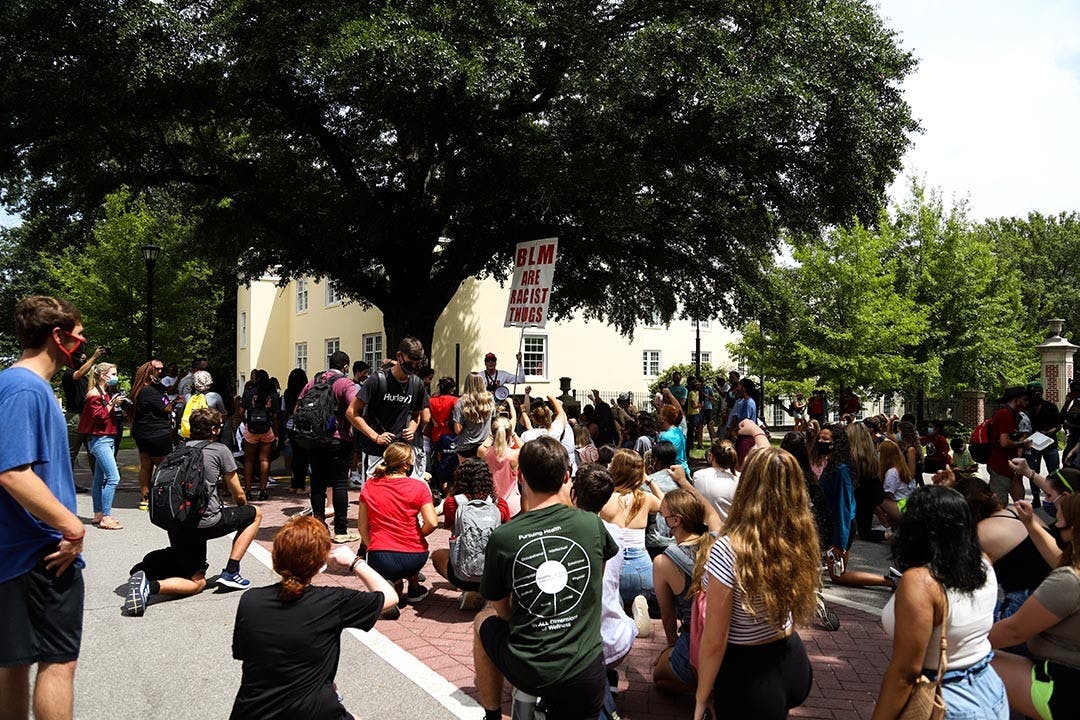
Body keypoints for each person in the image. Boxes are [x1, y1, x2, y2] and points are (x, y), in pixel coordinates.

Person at [473, 436, 619, 720]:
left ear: (521, 476)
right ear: (567, 476)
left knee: (483, 620)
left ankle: (492, 715)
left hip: (530, 670)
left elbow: (502, 611)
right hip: (586, 670)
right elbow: (594, 585)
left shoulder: (504, 537)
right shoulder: (592, 524)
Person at [0, 296, 88, 720]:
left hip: (20, 552)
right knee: (58, 661)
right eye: (77, 332)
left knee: (14, 662)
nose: (82, 339)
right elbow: (12, 472)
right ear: (58, 336)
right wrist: (71, 526)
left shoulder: (21, 386)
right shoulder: (24, 387)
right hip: (41, 553)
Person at [693, 448, 821, 720]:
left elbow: (715, 640)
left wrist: (701, 697)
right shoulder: (798, 537)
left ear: (746, 485)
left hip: (749, 674)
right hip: (792, 661)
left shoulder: (728, 549)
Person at [230, 515, 398, 719]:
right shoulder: (333, 601)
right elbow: (389, 597)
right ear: (320, 563)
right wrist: (355, 562)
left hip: (251, 712)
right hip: (313, 711)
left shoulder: (250, 600)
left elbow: (248, 655)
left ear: (277, 560)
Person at [873, 485, 1007, 720]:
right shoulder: (982, 563)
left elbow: (905, 673)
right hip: (989, 687)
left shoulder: (921, 583)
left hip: (947, 698)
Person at [988, 493, 1080, 720]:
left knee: (965, 666)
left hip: (1061, 687)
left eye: (1058, 523)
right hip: (1069, 677)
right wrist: (1029, 523)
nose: (1055, 527)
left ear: (1074, 529)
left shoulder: (1069, 581)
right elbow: (1058, 557)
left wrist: (955, 646)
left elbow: (1013, 631)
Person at [571, 464, 639, 697]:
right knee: (616, 597)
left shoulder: (561, 532)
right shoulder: (617, 534)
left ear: (574, 494)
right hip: (615, 643)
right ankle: (606, 676)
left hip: (573, 647)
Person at [952, 475, 1059, 623]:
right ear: (992, 496)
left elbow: (955, 572)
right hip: (1055, 596)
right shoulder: (1017, 511)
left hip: (1023, 607)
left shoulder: (978, 534)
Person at [652, 488, 720, 694]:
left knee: (659, 676)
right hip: (727, 642)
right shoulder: (717, 540)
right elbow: (712, 514)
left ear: (676, 521)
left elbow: (667, 613)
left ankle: (701, 685)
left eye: (663, 516)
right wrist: (683, 482)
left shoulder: (664, 561)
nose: (661, 519)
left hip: (695, 645)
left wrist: (672, 647)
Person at [358, 442, 438, 606]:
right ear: (405, 464)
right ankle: (413, 587)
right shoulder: (419, 487)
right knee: (408, 558)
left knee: (390, 573)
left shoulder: (369, 485)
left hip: (380, 554)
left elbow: (362, 526)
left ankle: (391, 589)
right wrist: (417, 535)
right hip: (414, 555)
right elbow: (432, 522)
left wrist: (371, 545)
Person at [818, 424, 893, 589]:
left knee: (838, 575)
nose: (820, 441)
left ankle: (889, 580)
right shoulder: (832, 465)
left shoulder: (841, 469)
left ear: (836, 443)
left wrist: (840, 543)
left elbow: (843, 507)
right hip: (831, 524)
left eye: (825, 439)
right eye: (820, 438)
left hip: (840, 526)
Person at [430, 459, 511, 610]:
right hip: (494, 576)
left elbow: (451, 529)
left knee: (437, 555)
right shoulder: (500, 504)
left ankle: (470, 589)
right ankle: (488, 594)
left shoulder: (452, 503)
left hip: (462, 575)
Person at [298, 351, 361, 544]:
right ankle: (340, 530)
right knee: (340, 483)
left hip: (314, 439)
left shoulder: (314, 381)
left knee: (317, 483)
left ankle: (319, 526)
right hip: (338, 439)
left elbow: (298, 405)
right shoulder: (345, 383)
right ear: (346, 367)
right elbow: (355, 407)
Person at [601, 449, 664, 627]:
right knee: (639, 593)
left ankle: (618, 607)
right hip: (642, 567)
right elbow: (669, 505)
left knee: (611, 596)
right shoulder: (645, 498)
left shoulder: (605, 499)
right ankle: (638, 602)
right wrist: (649, 480)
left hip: (614, 565)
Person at [351, 337, 426, 478]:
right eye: (410, 363)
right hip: (376, 452)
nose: (414, 367)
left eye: (418, 364)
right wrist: (376, 436)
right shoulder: (377, 380)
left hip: (402, 453)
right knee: (373, 497)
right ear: (399, 356)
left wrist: (411, 429)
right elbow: (352, 412)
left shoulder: (417, 384)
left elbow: (417, 416)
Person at [78, 362, 124, 530]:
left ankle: (98, 514)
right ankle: (106, 517)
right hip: (100, 440)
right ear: (103, 375)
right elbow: (98, 417)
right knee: (113, 478)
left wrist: (115, 403)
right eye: (113, 374)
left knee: (99, 479)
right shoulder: (93, 394)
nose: (115, 377)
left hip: (107, 439)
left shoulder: (104, 392)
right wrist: (112, 403)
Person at [130, 360, 179, 511]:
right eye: (157, 370)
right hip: (157, 434)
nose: (160, 372)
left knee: (145, 465)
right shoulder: (150, 392)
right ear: (148, 372)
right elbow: (167, 408)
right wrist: (171, 400)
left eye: (162, 369)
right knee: (165, 466)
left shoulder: (139, 390)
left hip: (142, 433)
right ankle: (164, 498)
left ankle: (145, 498)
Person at [60, 345, 105, 490]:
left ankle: (99, 482)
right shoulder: (68, 375)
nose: (83, 360)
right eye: (81, 358)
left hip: (87, 418)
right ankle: (66, 485)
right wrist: (95, 357)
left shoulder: (85, 379)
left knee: (94, 451)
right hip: (75, 418)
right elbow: (78, 374)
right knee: (71, 454)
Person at [987, 386, 1032, 505]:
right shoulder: (1005, 414)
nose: (1026, 403)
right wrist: (1022, 443)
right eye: (1024, 400)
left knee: (1019, 502)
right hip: (1000, 466)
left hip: (1009, 465)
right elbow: (1004, 442)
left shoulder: (1012, 414)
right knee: (999, 506)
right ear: (1016, 400)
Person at [241, 369, 279, 501]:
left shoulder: (249, 393)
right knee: (264, 460)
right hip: (266, 429)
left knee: (249, 461)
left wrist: (245, 422)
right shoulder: (272, 395)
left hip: (251, 429)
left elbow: (241, 412)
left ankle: (248, 490)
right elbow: (275, 416)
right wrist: (277, 433)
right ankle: (263, 490)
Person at [1026, 381, 1061, 508]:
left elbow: (1058, 426)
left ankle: (1054, 497)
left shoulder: (1050, 407)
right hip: (1032, 444)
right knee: (1033, 471)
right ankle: (1035, 497)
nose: (1036, 395)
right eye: (1033, 393)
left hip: (1049, 443)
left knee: (1054, 471)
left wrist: (1047, 432)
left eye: (1038, 393)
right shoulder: (1026, 409)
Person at [478, 415, 521, 516]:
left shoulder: (484, 452)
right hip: (512, 506)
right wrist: (513, 434)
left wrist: (490, 436)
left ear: (492, 433)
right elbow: (526, 448)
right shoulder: (514, 454)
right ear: (509, 433)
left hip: (491, 504)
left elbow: (481, 447)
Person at [847, 421, 884, 542]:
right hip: (870, 495)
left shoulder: (850, 458)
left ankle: (889, 533)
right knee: (864, 530)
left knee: (864, 532)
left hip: (860, 496)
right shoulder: (871, 454)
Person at [691, 438, 739, 523]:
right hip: (732, 529)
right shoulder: (740, 478)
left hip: (705, 529)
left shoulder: (699, 475)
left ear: (711, 456)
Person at [453, 372, 496, 458]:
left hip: (466, 446)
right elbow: (494, 422)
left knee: (466, 470)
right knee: (485, 470)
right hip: (485, 444)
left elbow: (458, 430)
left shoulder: (461, 402)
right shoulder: (490, 400)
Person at [281, 367, 310, 495]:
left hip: (290, 426)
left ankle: (293, 484)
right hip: (302, 427)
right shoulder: (306, 393)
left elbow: (284, 411)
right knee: (302, 457)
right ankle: (301, 485)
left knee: (294, 457)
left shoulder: (287, 393)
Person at [877, 439, 916, 531]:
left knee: (877, 499)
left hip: (901, 506)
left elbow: (888, 494)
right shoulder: (902, 468)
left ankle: (887, 525)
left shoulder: (892, 472)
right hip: (908, 503)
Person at [658, 404, 691, 478]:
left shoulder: (665, 436)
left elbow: (662, 457)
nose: (659, 416)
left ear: (664, 417)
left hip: (673, 472)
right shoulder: (679, 431)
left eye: (660, 414)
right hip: (684, 469)